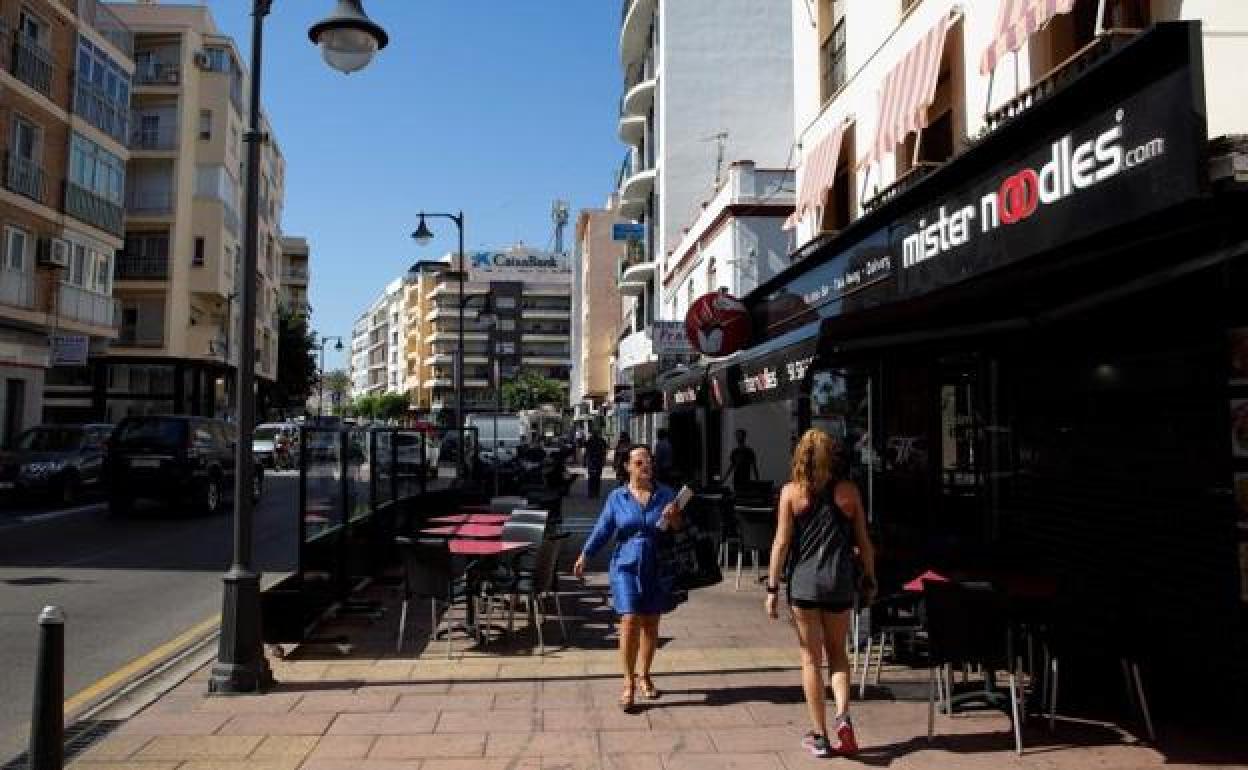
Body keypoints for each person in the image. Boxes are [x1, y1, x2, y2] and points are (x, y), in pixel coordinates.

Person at [765, 428, 876, 758]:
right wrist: (870, 576)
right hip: (839, 583)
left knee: (810, 659)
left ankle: (820, 736)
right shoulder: (849, 493)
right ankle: (843, 715)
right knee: (839, 655)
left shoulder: (791, 494)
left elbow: (782, 543)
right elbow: (864, 543)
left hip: (804, 585)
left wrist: (772, 588)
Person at [574, 445, 682, 711]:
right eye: (640, 462)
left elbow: (677, 529)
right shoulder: (617, 498)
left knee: (651, 623)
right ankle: (628, 682)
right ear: (628, 467)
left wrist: (675, 517)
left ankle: (645, 674)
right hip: (625, 564)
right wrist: (585, 555)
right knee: (630, 618)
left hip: (656, 564)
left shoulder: (666, 494)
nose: (646, 466)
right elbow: (603, 529)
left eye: (649, 461)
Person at [584, 428, 608, 499]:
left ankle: (592, 493)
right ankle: (594, 493)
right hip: (596, 461)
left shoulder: (592, 441)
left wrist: (585, 461)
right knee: (595, 477)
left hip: (594, 461)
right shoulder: (598, 441)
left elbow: (604, 451)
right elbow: (604, 451)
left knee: (593, 477)